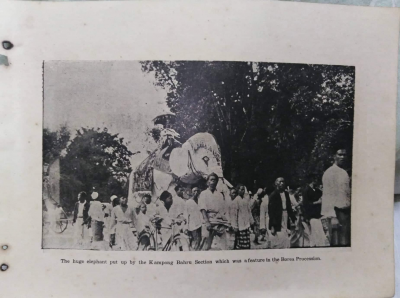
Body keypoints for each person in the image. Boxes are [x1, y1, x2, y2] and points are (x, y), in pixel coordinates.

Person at [321, 147, 351, 247]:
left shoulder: (344, 172)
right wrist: (333, 217)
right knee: (338, 243)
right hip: (337, 213)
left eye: (344, 155)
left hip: (346, 213)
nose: (342, 157)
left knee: (346, 242)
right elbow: (327, 196)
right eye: (339, 154)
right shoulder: (330, 173)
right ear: (334, 156)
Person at [198, 173, 230, 251]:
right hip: (207, 220)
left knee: (224, 243)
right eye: (211, 180)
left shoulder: (219, 195)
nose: (213, 182)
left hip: (218, 220)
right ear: (208, 182)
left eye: (215, 180)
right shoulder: (203, 194)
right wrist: (207, 222)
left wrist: (225, 222)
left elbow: (222, 209)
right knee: (206, 244)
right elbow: (202, 209)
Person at [268, 177, 296, 249]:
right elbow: (271, 211)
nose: (282, 183)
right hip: (277, 218)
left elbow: (289, 207)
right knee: (279, 236)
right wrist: (272, 225)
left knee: (286, 235)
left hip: (285, 215)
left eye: (283, 182)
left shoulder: (286, 194)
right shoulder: (273, 195)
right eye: (280, 182)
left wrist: (293, 219)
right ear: (276, 183)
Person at [231, 184, 254, 250]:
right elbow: (234, 215)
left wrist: (251, 221)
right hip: (239, 224)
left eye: (243, 189)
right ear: (237, 190)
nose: (242, 191)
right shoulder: (236, 201)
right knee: (240, 243)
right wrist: (235, 226)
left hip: (246, 224)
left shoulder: (245, 200)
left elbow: (249, 211)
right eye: (241, 189)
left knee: (246, 242)